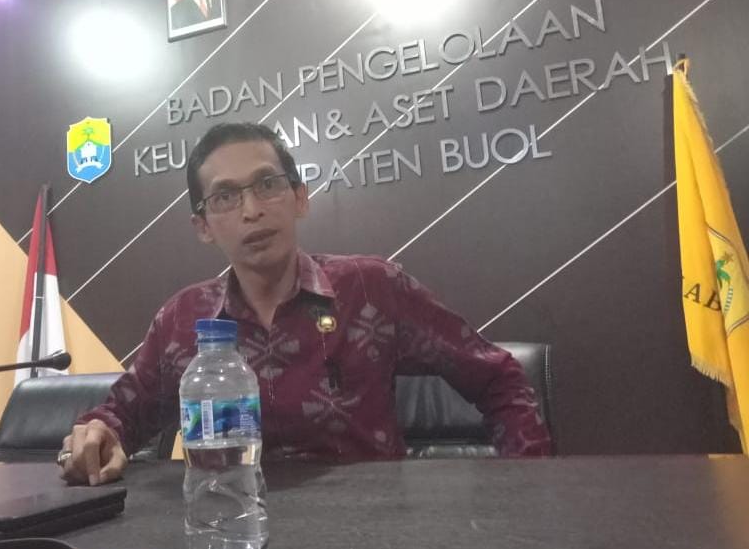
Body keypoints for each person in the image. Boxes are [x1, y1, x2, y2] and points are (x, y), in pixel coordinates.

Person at [60, 123, 551, 485]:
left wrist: (528, 489)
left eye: (267, 185)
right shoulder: (182, 320)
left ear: (299, 197)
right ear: (203, 226)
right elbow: (123, 415)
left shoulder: (372, 288)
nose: (252, 210)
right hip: (234, 528)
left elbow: (499, 379)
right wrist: (98, 434)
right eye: (225, 197)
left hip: (371, 532)